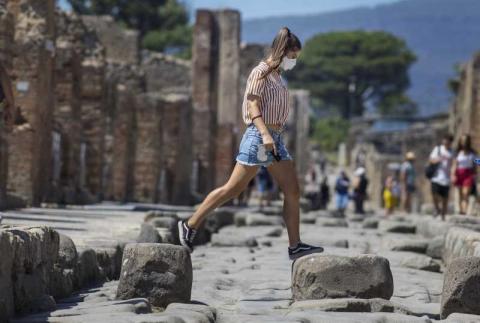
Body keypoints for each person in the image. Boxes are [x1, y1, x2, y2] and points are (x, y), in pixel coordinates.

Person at [177, 27, 324, 260]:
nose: (294, 62)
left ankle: (295, 245)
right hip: (259, 136)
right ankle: (190, 224)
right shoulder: (261, 72)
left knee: (292, 191)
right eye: (293, 57)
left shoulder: (277, 77)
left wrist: (272, 136)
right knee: (233, 189)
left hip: (276, 138)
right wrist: (265, 135)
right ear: (282, 52)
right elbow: (253, 105)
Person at [429, 134, 454, 220]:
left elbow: (455, 163)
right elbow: (431, 160)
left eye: (448, 140)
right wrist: (438, 159)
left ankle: (443, 215)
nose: (446, 142)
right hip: (436, 176)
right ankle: (437, 209)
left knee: (445, 198)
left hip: (446, 178)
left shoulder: (452, 152)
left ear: (451, 142)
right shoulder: (438, 149)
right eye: (445, 140)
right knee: (434, 194)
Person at [451, 134, 477, 215]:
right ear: (460, 142)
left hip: (468, 174)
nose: (464, 142)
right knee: (460, 193)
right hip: (459, 173)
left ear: (468, 141)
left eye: (465, 140)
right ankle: (461, 210)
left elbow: (477, 161)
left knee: (466, 193)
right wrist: (453, 175)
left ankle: (464, 210)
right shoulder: (458, 153)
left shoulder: (473, 153)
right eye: (462, 140)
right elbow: (454, 164)